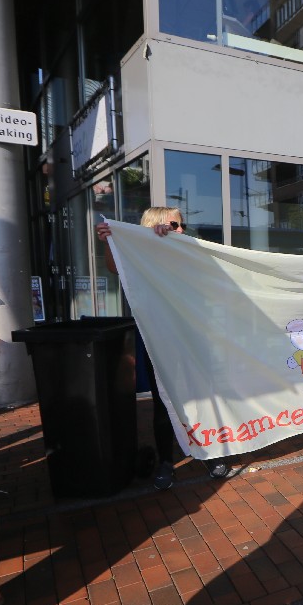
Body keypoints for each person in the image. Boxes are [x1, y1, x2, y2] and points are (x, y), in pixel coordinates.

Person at [96, 207, 229, 488]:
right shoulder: (141, 257)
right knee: (163, 401)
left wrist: (169, 242)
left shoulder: (186, 251)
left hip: (193, 339)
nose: (180, 230)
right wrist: (111, 241)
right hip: (157, 340)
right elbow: (114, 267)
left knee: (201, 396)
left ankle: (210, 452)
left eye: (180, 225)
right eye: (173, 225)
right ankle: (166, 461)